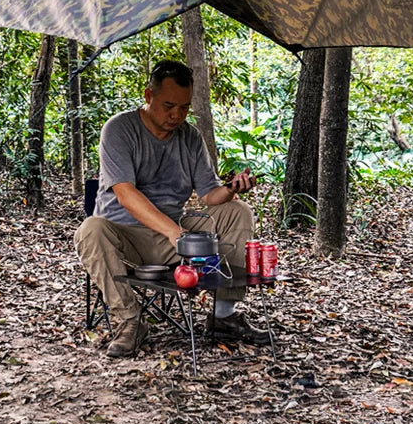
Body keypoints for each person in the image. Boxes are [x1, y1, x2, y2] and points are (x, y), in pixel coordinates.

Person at [74, 58, 269, 358]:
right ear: (148, 96)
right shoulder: (118, 130)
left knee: (238, 211)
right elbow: (125, 194)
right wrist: (175, 233)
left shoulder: (190, 137)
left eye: (185, 107)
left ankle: (223, 316)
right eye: (168, 105)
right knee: (90, 229)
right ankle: (131, 321)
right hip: (124, 239)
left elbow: (208, 196)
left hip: (173, 238)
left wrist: (231, 190)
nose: (177, 114)